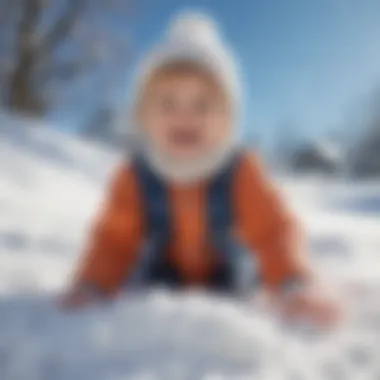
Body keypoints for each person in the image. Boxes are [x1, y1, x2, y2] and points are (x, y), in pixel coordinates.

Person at [62, 12, 339, 325]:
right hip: (162, 278)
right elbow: (114, 239)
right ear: (145, 117)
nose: (184, 117)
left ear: (226, 120)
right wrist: (93, 284)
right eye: (168, 104)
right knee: (140, 276)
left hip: (229, 278)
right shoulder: (135, 175)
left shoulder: (240, 168)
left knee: (246, 271)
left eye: (202, 105)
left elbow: (273, 230)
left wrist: (293, 283)